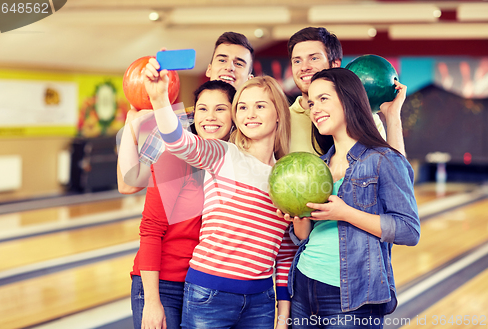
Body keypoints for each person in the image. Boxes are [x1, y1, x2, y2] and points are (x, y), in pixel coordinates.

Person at [143, 57, 296, 329]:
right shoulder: (223, 154)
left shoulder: (286, 178)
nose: (250, 114)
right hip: (209, 294)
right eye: (243, 107)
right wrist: (159, 99)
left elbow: (284, 254)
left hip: (261, 301)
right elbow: (179, 142)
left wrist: (282, 318)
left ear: (279, 113)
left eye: (260, 106)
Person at [280, 68, 420, 328]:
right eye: (311, 102)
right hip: (303, 285)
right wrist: (297, 216)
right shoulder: (318, 166)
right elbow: (304, 237)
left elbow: (409, 230)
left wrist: (345, 213)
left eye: (323, 99)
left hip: (352, 295)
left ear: (348, 99)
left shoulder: (382, 159)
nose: (315, 109)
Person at [126, 80, 237, 329]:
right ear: (193, 114)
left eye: (220, 109)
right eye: (202, 109)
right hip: (164, 285)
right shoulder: (175, 158)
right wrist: (153, 302)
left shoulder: (235, 162)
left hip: (203, 285)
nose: (210, 117)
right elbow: (151, 229)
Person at [117, 31, 254, 193]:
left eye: (239, 63)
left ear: (249, 79)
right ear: (209, 70)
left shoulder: (255, 128)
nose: (229, 67)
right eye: (222, 60)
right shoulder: (174, 125)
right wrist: (131, 123)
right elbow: (128, 185)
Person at [287, 27, 407, 156]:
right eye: (297, 61)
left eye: (314, 58)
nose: (304, 67)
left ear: (335, 64)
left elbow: (396, 172)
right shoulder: (283, 119)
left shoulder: (365, 117)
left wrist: (392, 115)